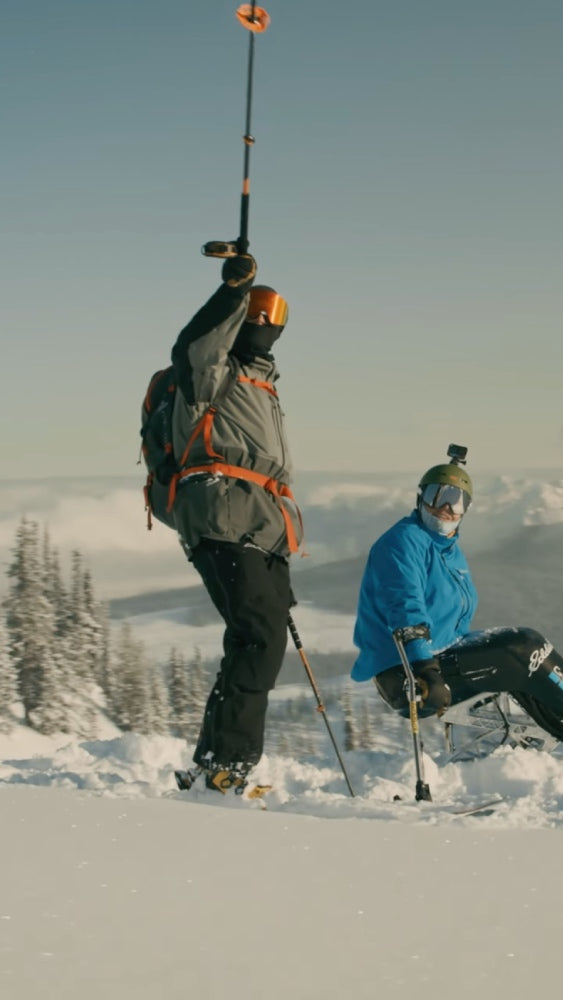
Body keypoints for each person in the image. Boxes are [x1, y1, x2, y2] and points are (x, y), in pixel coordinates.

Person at [351, 450, 563, 768]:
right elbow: (405, 608)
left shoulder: (447, 549)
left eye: (456, 502)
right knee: (522, 648)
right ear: (419, 497)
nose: (445, 508)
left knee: (520, 657)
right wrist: (426, 670)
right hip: (410, 675)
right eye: (436, 495)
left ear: (465, 510)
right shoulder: (403, 542)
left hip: (436, 656)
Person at [170, 253, 303, 793]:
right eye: (258, 310)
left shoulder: (264, 385)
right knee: (259, 636)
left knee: (256, 637)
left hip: (262, 524)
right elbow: (194, 348)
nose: (266, 322)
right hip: (220, 511)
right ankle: (229, 765)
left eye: (277, 313)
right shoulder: (211, 376)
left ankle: (213, 763)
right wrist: (230, 293)